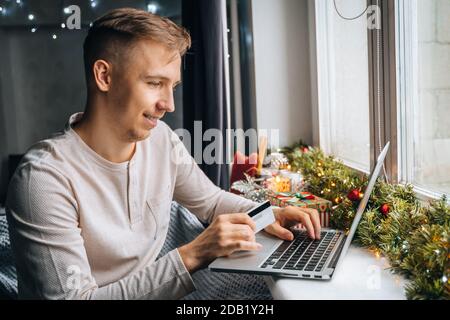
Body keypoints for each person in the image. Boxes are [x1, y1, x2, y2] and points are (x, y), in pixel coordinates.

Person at [5, 8, 321, 300]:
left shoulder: (161, 141)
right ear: (104, 76)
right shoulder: (44, 179)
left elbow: (210, 202)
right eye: (155, 83)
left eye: (173, 86)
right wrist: (194, 253)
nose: (168, 104)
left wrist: (267, 214)